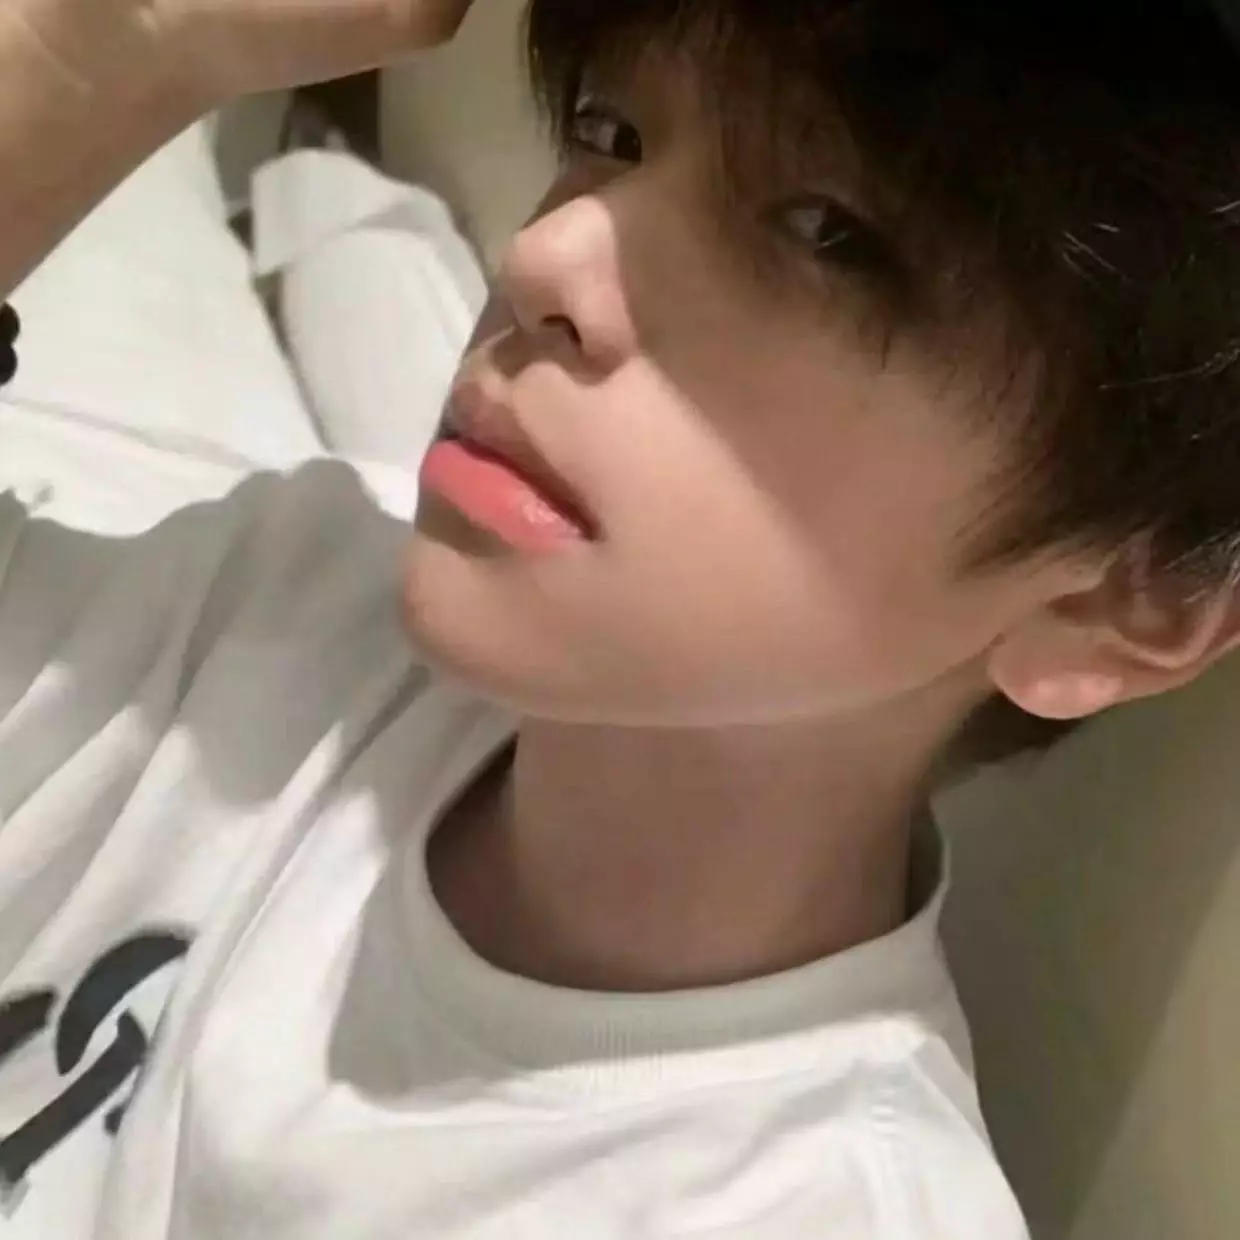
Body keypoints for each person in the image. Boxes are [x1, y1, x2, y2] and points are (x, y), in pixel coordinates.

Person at [2, 0, 1240, 1235]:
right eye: (609, 133)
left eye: (827, 232)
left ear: (1115, 600)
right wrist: (102, 47)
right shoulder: (291, 611)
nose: (541, 256)